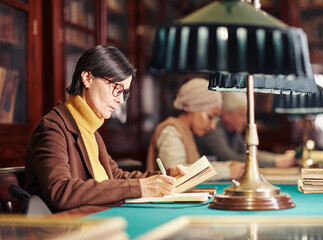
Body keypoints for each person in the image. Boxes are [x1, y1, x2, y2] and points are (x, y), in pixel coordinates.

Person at [25, 45, 186, 212]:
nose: (121, 101)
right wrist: (138, 187)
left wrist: (163, 176)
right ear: (87, 77)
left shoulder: (90, 129)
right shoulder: (52, 128)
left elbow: (114, 177)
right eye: (116, 88)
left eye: (124, 92)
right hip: (67, 230)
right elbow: (61, 191)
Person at [146, 78, 245, 180]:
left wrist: (229, 165)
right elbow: (179, 173)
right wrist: (227, 172)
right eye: (210, 117)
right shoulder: (170, 131)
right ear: (194, 108)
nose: (213, 126)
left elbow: (194, 166)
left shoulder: (186, 132)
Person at [195, 92, 296, 168]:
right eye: (242, 115)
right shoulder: (213, 130)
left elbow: (249, 153)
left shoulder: (234, 130)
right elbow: (230, 158)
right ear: (226, 115)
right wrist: (274, 162)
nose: (246, 120)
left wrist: (277, 158)